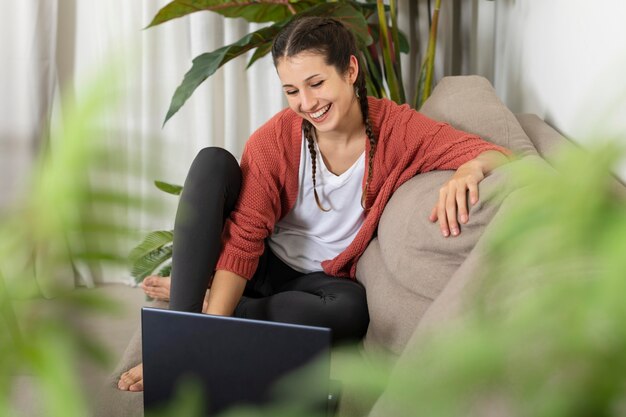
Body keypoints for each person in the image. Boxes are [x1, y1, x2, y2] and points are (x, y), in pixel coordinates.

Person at [117, 16, 510, 392]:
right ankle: (184, 327)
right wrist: (193, 345)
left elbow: (499, 154)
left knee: (351, 311)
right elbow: (243, 241)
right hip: (259, 264)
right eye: (291, 91)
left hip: (320, 281)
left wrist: (469, 170)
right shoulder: (273, 141)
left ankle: (205, 295)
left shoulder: (399, 130)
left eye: (316, 83)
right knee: (212, 162)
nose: (306, 102)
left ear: (350, 71)